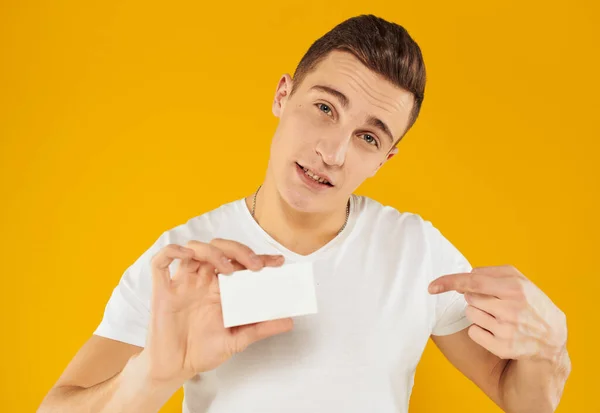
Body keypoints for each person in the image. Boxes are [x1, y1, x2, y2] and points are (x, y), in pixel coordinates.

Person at [38, 14, 571, 413]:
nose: (333, 151)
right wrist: (152, 374)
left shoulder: (417, 251)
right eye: (324, 107)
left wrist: (550, 352)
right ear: (282, 94)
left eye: (367, 137)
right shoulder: (185, 261)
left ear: (385, 159)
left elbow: (518, 397)